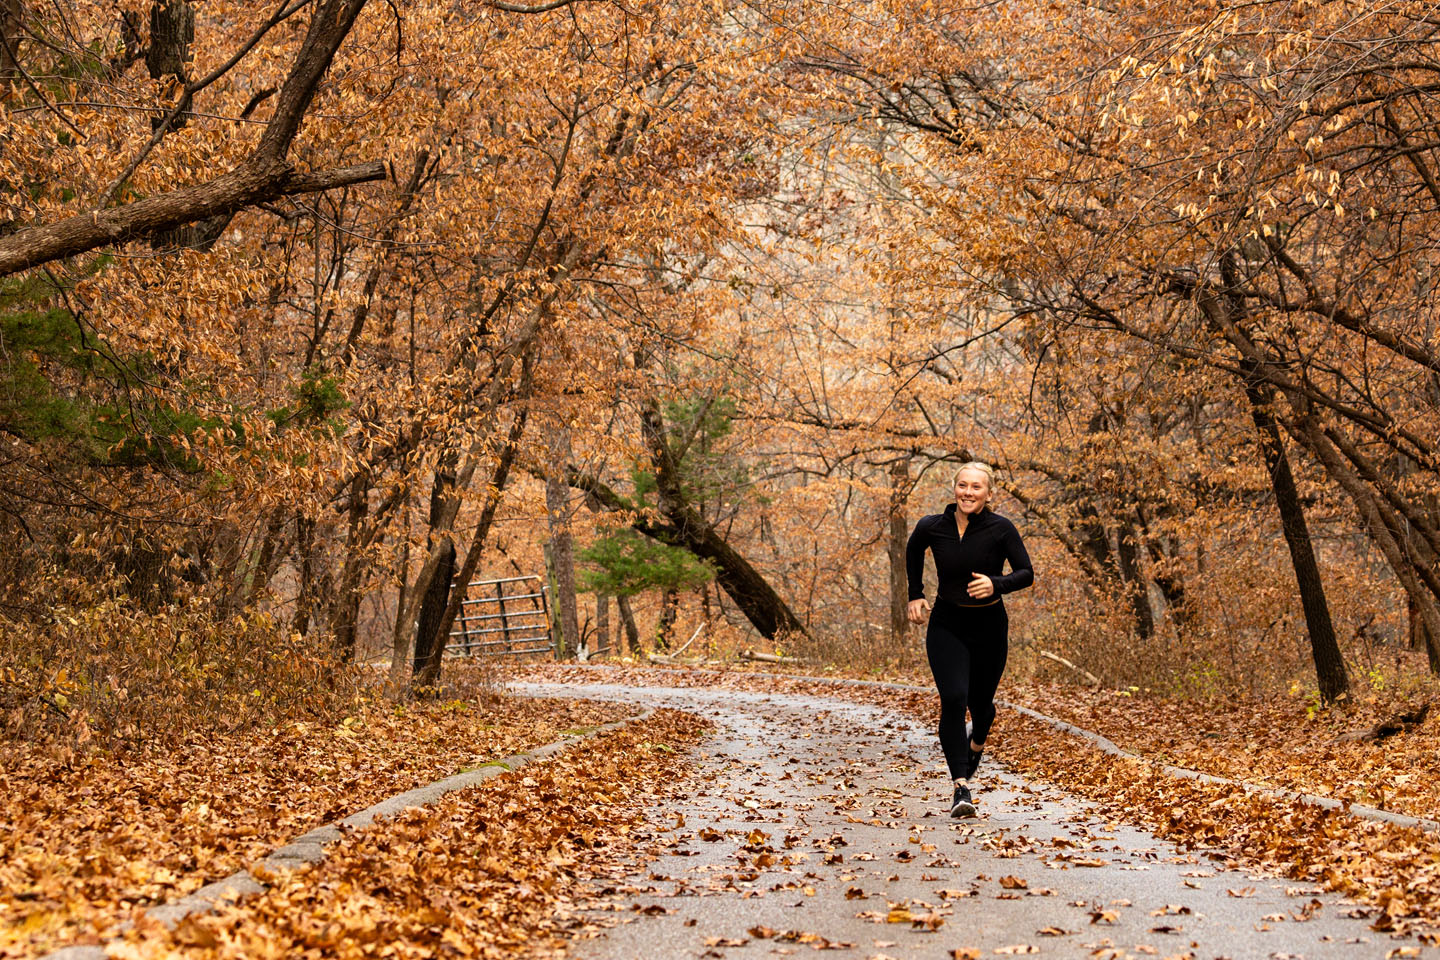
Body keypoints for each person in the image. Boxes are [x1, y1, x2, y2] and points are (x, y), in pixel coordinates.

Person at [906, 462, 1033, 817]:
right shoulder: (933, 526)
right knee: (953, 697)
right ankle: (961, 788)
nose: (968, 492)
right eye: (963, 485)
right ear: (954, 489)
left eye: (976, 487)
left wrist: (997, 583)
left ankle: (976, 741)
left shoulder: (1000, 529)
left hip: (989, 626)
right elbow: (913, 550)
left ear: (988, 494)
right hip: (947, 622)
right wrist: (915, 593)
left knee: (981, 705)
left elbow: (1026, 573)